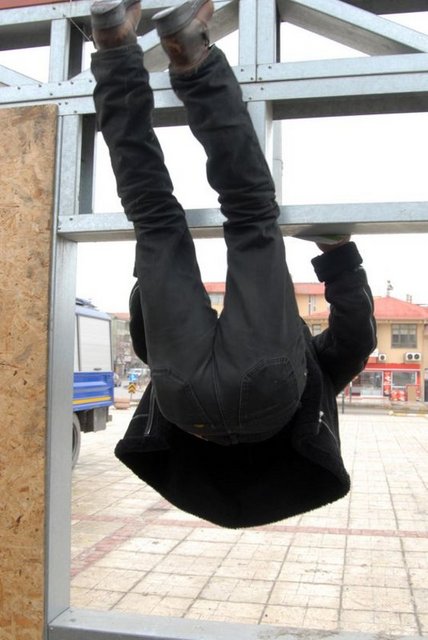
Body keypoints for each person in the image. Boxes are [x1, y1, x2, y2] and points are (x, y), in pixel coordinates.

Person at [90, 0, 377, 528]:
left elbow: (356, 338)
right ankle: (113, 46)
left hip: (269, 393)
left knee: (249, 215)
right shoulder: (311, 372)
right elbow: (146, 338)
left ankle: (191, 53)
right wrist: (150, 278)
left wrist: (338, 257)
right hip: (182, 401)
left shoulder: (316, 371)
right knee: (153, 220)